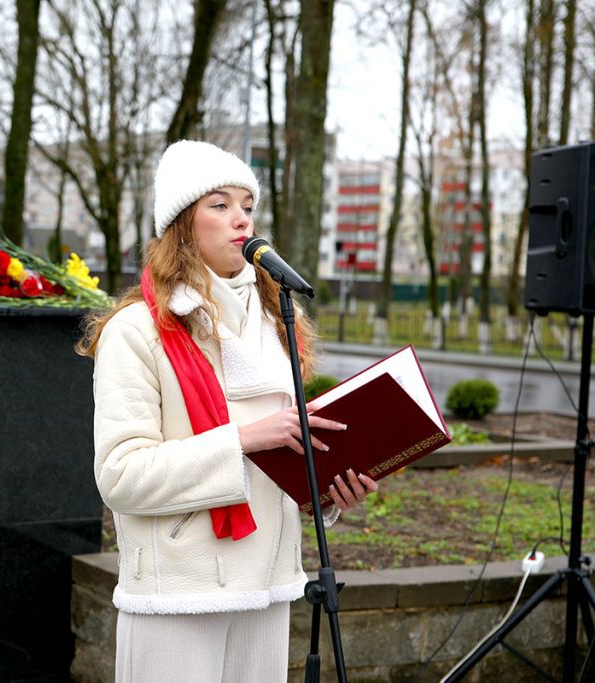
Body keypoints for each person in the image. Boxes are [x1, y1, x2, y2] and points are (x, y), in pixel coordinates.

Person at [76, 140, 379, 682]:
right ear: (180, 226)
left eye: (247, 204)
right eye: (219, 205)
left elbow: (279, 455)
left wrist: (323, 491)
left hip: (267, 587)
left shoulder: (277, 326)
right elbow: (120, 476)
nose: (241, 219)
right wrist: (243, 438)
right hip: (177, 592)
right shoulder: (136, 330)